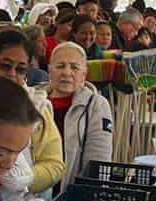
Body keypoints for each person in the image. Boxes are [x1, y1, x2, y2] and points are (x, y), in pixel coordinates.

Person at [0, 30, 63, 195]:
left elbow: (54, 164)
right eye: (5, 66)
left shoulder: (37, 107)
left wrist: (21, 180)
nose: (12, 74)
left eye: (20, 69)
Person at [47, 41, 113, 191]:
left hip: (70, 196)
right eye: (60, 66)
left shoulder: (96, 105)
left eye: (74, 67)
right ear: (49, 70)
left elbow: (98, 160)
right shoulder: (33, 100)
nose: (66, 72)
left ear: (84, 74)